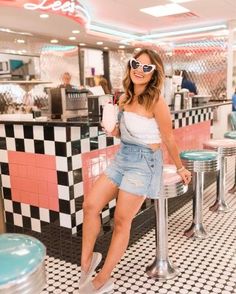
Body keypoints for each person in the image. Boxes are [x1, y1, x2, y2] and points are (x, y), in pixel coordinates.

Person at [79, 49, 192, 294]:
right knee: (90, 206)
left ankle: (103, 279)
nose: (139, 70)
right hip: (123, 157)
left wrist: (181, 166)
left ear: (154, 74)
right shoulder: (123, 98)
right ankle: (86, 263)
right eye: (136, 64)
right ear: (130, 67)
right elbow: (123, 133)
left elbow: (168, 138)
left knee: (121, 220)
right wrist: (112, 129)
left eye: (147, 68)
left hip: (145, 163)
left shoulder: (157, 101)